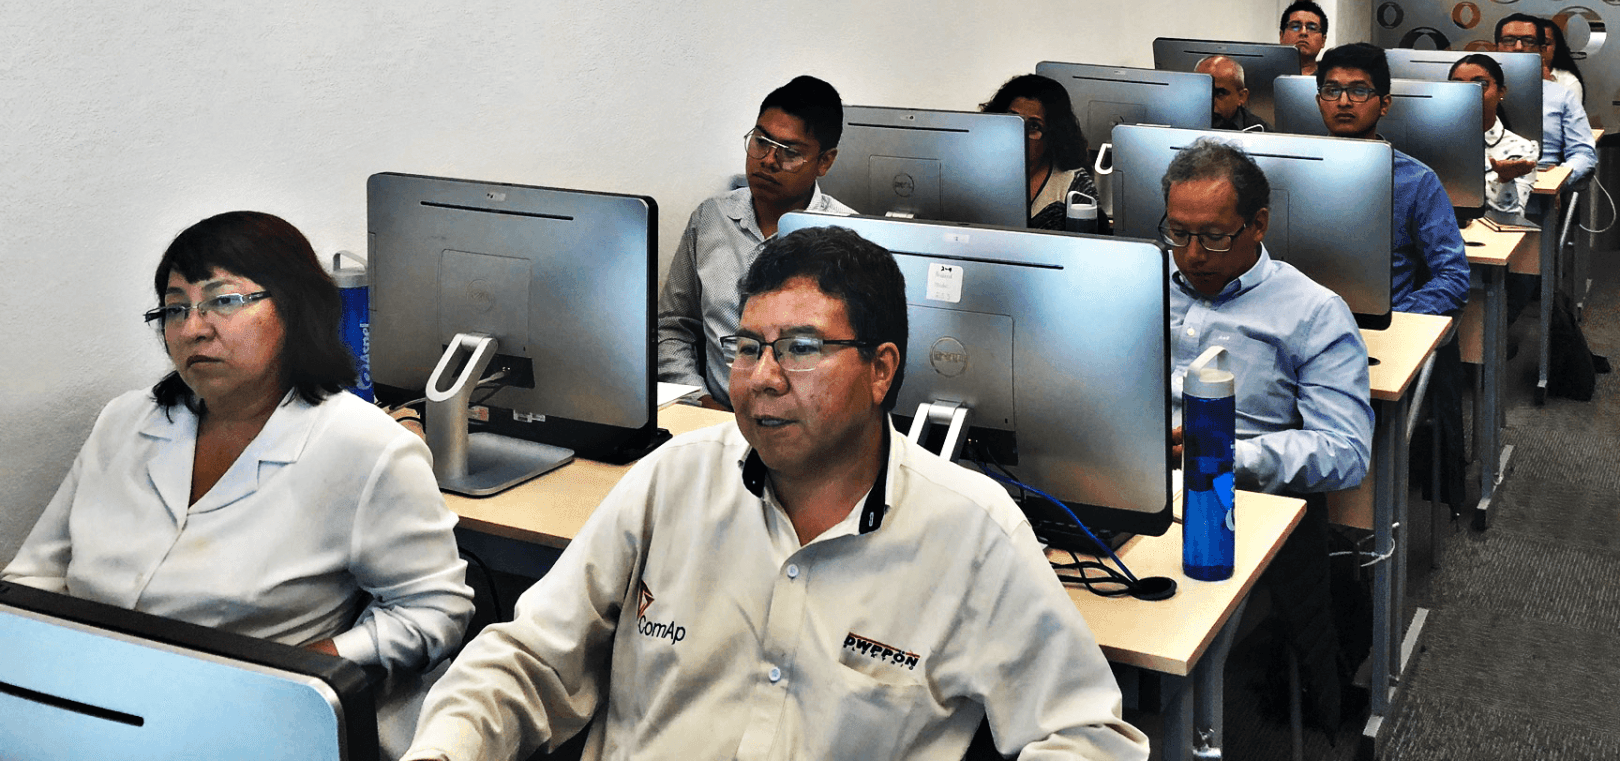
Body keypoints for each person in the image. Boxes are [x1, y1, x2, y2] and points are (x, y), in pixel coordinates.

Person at [404, 225, 1149, 761]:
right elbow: (531, 659)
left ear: (881, 370)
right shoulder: (675, 478)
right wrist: (446, 747)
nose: (763, 377)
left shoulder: (972, 531)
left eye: (802, 349)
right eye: (748, 347)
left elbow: (1086, 734)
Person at [5, 212, 473, 757]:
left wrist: (309, 669)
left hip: (249, 724)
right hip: (88, 708)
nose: (193, 328)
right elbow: (30, 581)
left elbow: (434, 610)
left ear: (293, 310)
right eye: (175, 308)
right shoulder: (124, 423)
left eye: (223, 301)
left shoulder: (365, 446)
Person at [1160, 138, 1372, 732]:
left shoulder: (1313, 311)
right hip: (1130, 479)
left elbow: (1347, 451)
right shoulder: (1139, 283)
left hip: (1235, 506)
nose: (1192, 254)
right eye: (1178, 233)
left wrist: (1229, 456)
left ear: (1257, 225)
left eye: (1213, 236)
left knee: (1160, 643)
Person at [1316, 41, 1471, 509]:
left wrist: (1396, 318)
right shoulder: (1287, 169)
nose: (1344, 101)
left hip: (1376, 335)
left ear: (1384, 103)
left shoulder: (1416, 181)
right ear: (1318, 99)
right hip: (1300, 327)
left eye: (1358, 91)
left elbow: (1453, 276)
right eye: (1332, 90)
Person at [658, 75, 855, 406]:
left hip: (807, 422)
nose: (768, 161)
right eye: (761, 142)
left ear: (825, 161)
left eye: (790, 152)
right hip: (713, 413)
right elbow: (673, 327)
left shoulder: (850, 241)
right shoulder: (711, 219)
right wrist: (699, 400)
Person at [981, 73, 1099, 230]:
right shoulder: (976, 171)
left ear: (1053, 134)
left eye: (1034, 126)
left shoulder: (1074, 183)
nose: (1020, 133)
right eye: (1012, 121)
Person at [1493, 13, 1597, 183]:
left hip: (1541, 183)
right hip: (1484, 182)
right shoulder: (1479, 92)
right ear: (1496, 47)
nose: (1518, 47)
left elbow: (1583, 153)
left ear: (1541, 50)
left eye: (1528, 41)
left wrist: (1558, 178)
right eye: (1509, 40)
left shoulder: (1562, 96)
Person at [1450, 53, 1538, 217]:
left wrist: (1505, 179)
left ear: (1500, 92)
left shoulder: (1521, 149)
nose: (1469, 93)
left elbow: (1511, 218)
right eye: (1458, 85)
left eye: (1481, 84)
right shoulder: (1431, 142)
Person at [1196, 54, 1260, 131]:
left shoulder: (1261, 132)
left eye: (1220, 93)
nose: (1210, 102)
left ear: (1241, 96)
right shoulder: (1183, 121)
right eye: (1203, 93)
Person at [1538, 15, 1587, 105]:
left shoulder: (1568, 82)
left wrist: (1547, 84)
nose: (1540, 48)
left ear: (1556, 47)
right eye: (1533, 42)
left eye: (1546, 43)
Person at [1282, 0, 1330, 78]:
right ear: (1281, 36)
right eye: (1295, 26)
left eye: (1312, 28)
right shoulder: (1266, 73)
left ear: (1323, 41)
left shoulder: (1330, 77)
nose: (1303, 32)